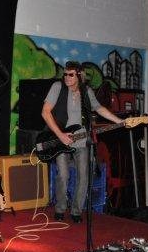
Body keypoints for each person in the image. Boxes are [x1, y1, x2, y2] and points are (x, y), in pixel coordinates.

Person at [41, 61, 123, 223]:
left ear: (79, 75)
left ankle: (76, 211)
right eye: (65, 74)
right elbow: (45, 112)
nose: (67, 77)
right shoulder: (57, 87)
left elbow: (99, 108)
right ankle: (60, 208)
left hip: (82, 140)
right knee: (63, 176)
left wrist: (119, 121)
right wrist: (60, 135)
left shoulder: (86, 91)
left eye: (71, 74)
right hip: (62, 140)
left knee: (84, 177)